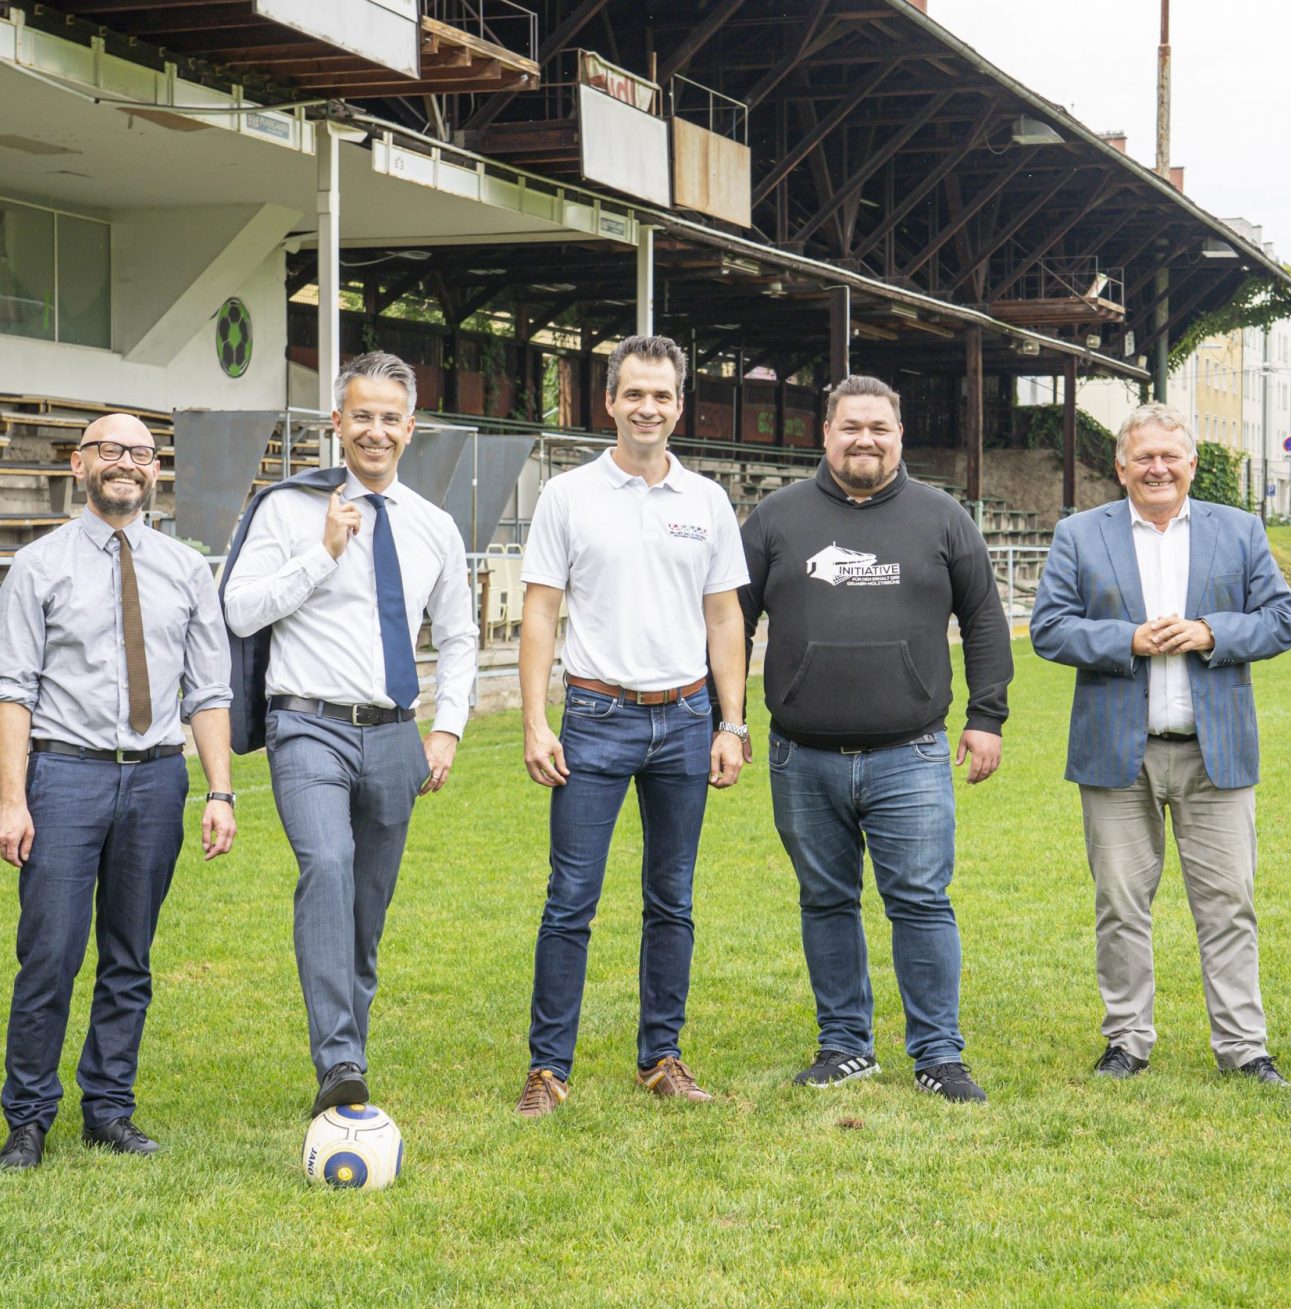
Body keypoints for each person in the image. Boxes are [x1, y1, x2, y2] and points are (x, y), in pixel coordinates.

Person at [738, 374, 1010, 1103]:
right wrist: (725, 721)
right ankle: (844, 1045)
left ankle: (938, 1055)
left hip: (911, 754)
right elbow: (728, 624)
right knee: (825, 901)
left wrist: (987, 717)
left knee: (920, 902)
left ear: (899, 437)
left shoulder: (942, 518)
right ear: (824, 434)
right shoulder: (776, 520)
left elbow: (984, 619)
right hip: (802, 755)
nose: (865, 439)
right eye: (851, 426)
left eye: (879, 428)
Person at [221, 351, 477, 1115]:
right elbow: (237, 611)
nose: (374, 430)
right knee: (327, 865)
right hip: (308, 725)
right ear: (336, 423)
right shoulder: (287, 510)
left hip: (397, 736)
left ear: (411, 427)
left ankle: (347, 1060)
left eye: (388, 417)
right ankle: (337, 1061)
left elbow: (459, 637)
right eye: (359, 415)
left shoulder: (433, 527)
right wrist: (322, 552)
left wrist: (448, 730)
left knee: (366, 913)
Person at [0, 413, 237, 1170]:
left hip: (159, 779)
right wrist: (12, 797)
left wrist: (220, 792)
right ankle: (28, 1120)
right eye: (109, 450)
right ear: (79, 464)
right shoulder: (37, 566)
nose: (125, 463)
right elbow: (12, 690)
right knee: (51, 955)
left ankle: (109, 1110)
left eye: (140, 452)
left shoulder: (187, 569)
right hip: (65, 775)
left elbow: (210, 690)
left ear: (154, 471)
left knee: (130, 955)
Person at [513, 333, 750, 1117]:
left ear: (680, 406)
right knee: (570, 899)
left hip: (685, 719)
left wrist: (732, 723)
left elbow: (725, 620)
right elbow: (540, 613)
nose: (647, 407)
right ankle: (548, 1070)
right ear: (609, 401)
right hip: (594, 717)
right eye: (634, 393)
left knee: (671, 899)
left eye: (662, 395)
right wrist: (536, 722)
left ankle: (662, 1057)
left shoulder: (708, 501)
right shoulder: (568, 496)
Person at [1030, 402, 1291, 1086]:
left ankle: (1244, 1046)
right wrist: (1125, 640)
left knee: (1229, 902)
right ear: (1120, 467)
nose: (1157, 468)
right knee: (1120, 904)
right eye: (1143, 457)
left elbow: (1280, 620)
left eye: (1169, 457)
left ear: (1192, 465)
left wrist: (1214, 633)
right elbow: (1049, 628)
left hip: (1217, 752)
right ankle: (1127, 1041)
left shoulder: (1237, 531)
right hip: (1117, 752)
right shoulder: (1080, 534)